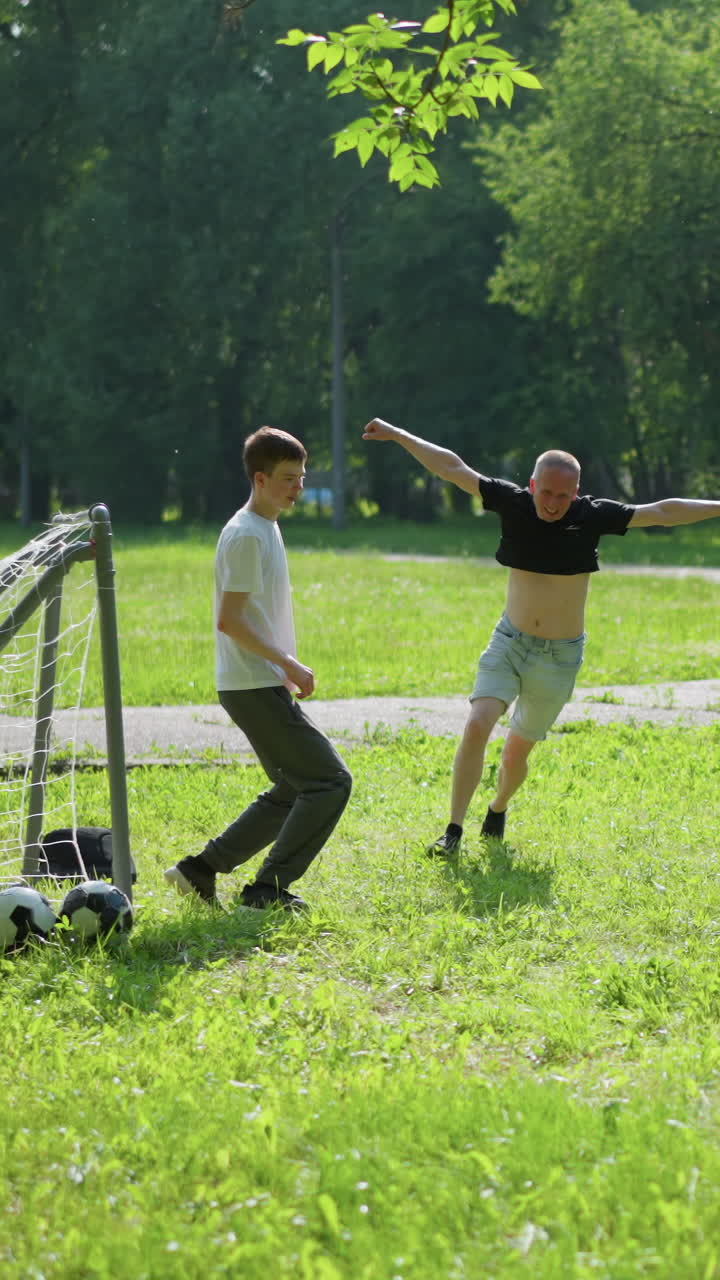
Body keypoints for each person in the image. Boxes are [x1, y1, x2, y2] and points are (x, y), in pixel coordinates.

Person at [363, 416, 720, 855]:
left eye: (563, 496)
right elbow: (452, 468)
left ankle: (497, 807)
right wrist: (399, 435)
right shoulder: (512, 503)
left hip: (559, 657)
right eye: (546, 492)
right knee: (477, 725)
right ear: (532, 484)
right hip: (509, 642)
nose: (553, 503)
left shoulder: (592, 516)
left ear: (576, 493)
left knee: (516, 756)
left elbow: (663, 512)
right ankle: (452, 831)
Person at [165, 426, 352, 909]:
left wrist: (281, 668)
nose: (299, 487)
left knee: (295, 786)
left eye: (302, 476)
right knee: (330, 782)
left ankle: (199, 870)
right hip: (250, 684)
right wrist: (286, 660)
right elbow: (230, 620)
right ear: (260, 478)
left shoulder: (265, 526)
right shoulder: (246, 534)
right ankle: (267, 890)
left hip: (259, 680)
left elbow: (255, 616)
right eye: (289, 478)